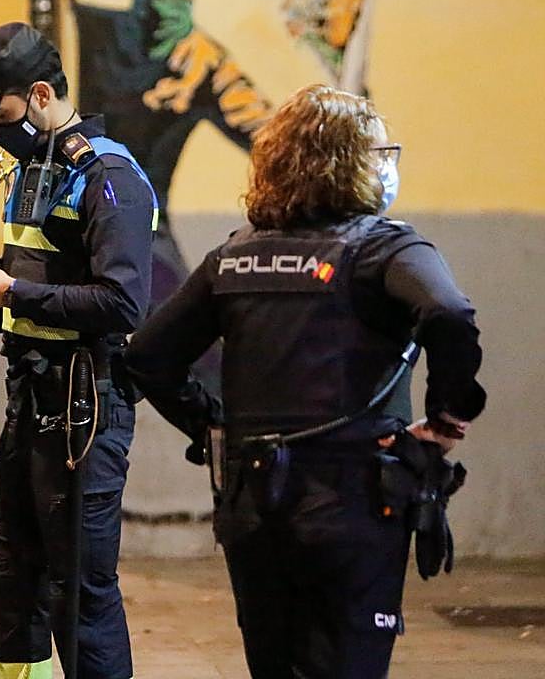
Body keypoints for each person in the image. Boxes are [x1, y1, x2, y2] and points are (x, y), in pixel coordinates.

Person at [124, 84, 485, 678]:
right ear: (349, 163)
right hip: (353, 501)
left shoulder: (233, 258)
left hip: (252, 505)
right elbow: (448, 314)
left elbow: (147, 358)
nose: (386, 165)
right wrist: (448, 417)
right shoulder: (384, 249)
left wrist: (211, 422)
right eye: (378, 152)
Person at [0, 22, 156, 678]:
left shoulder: (109, 176)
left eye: (1, 114)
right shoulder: (32, 173)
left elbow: (122, 305)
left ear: (40, 94)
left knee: (79, 598)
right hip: (28, 402)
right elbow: (20, 290)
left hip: (85, 408)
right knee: (11, 586)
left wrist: (10, 291)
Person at [72, 0, 271, 327]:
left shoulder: (204, 63)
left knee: (188, 345)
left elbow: (270, 134)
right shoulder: (91, 30)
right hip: (80, 222)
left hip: (140, 230)